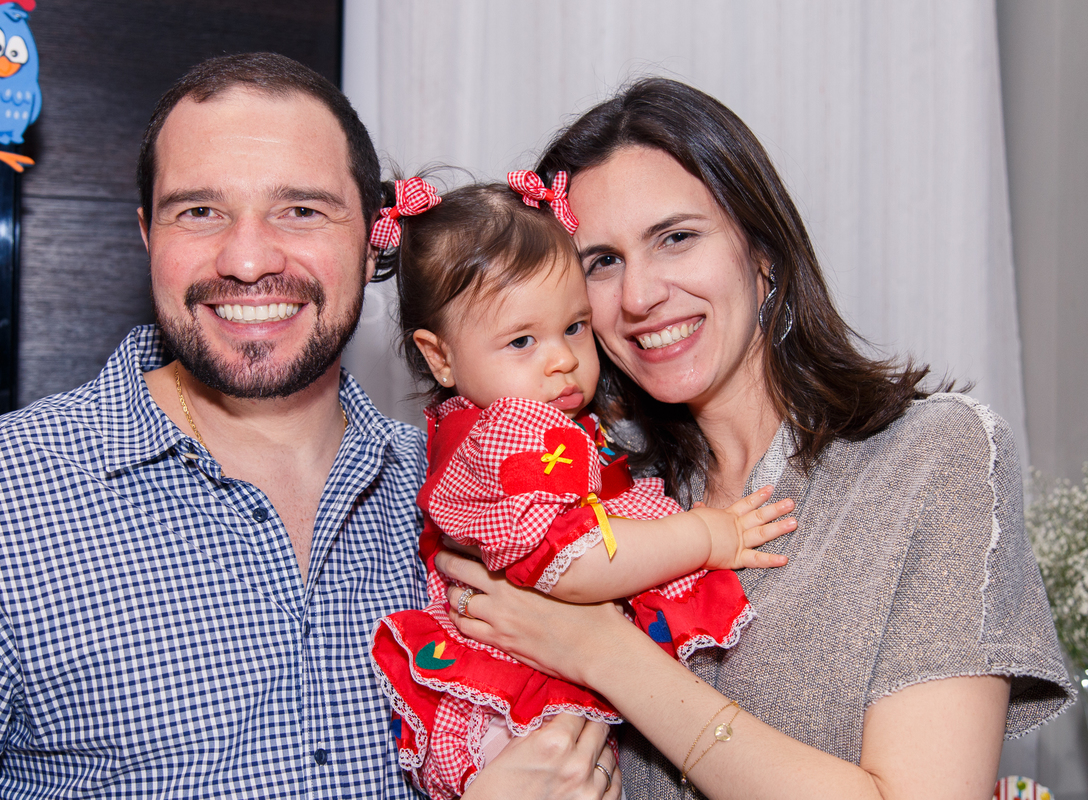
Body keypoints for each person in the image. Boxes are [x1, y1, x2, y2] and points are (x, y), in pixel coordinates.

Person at [0, 53, 614, 799]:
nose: (245, 258)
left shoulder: (478, 499)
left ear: (373, 242)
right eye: (199, 211)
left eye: (301, 209)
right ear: (148, 235)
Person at [433, 78, 1076, 799]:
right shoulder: (593, 493)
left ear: (762, 251)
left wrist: (603, 653)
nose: (641, 295)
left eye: (676, 238)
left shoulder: (931, 460)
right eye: (602, 262)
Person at [367, 178, 795, 800]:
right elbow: (574, 561)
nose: (562, 359)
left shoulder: (543, 425)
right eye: (522, 341)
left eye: (574, 327)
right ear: (441, 360)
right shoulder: (513, 435)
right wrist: (705, 534)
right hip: (513, 716)